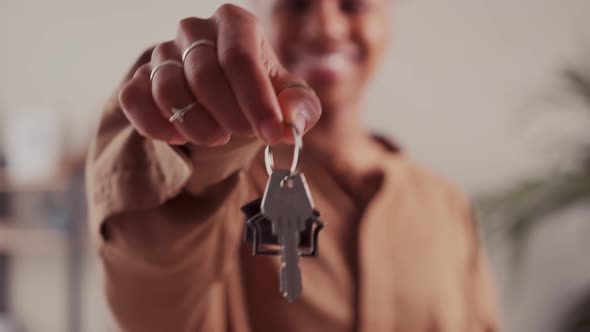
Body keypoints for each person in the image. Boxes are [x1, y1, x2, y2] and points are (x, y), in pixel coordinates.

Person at [86, 1, 499, 331]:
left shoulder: (446, 205)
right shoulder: (217, 181)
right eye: (296, 5)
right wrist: (192, 131)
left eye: (353, 5)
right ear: (262, 15)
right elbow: (151, 275)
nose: (325, 27)